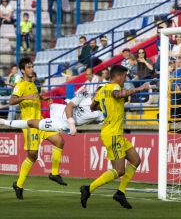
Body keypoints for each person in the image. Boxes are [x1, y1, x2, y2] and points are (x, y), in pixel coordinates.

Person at [80, 66, 150, 209]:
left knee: (136, 160)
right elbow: (117, 95)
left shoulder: (103, 89)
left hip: (114, 133)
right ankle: (88, 188)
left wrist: (106, 106)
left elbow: (93, 106)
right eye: (125, 76)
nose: (126, 79)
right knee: (119, 170)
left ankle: (120, 192)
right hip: (112, 134)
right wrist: (139, 89)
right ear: (117, 77)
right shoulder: (114, 87)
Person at [3, 57, 66, 199]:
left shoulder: (32, 83)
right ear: (23, 70)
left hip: (41, 122)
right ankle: (19, 184)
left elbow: (33, 96)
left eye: (32, 66)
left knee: (59, 142)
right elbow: (12, 100)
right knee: (32, 156)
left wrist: (41, 98)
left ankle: (54, 173)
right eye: (29, 67)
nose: (32, 69)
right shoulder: (20, 84)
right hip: (30, 125)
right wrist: (25, 98)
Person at [0, 90, 103, 137]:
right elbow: (69, 107)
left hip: (59, 124)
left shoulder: (102, 112)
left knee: (31, 123)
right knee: (49, 104)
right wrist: (72, 125)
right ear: (96, 94)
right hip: (60, 109)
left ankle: (3, 121)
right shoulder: (84, 95)